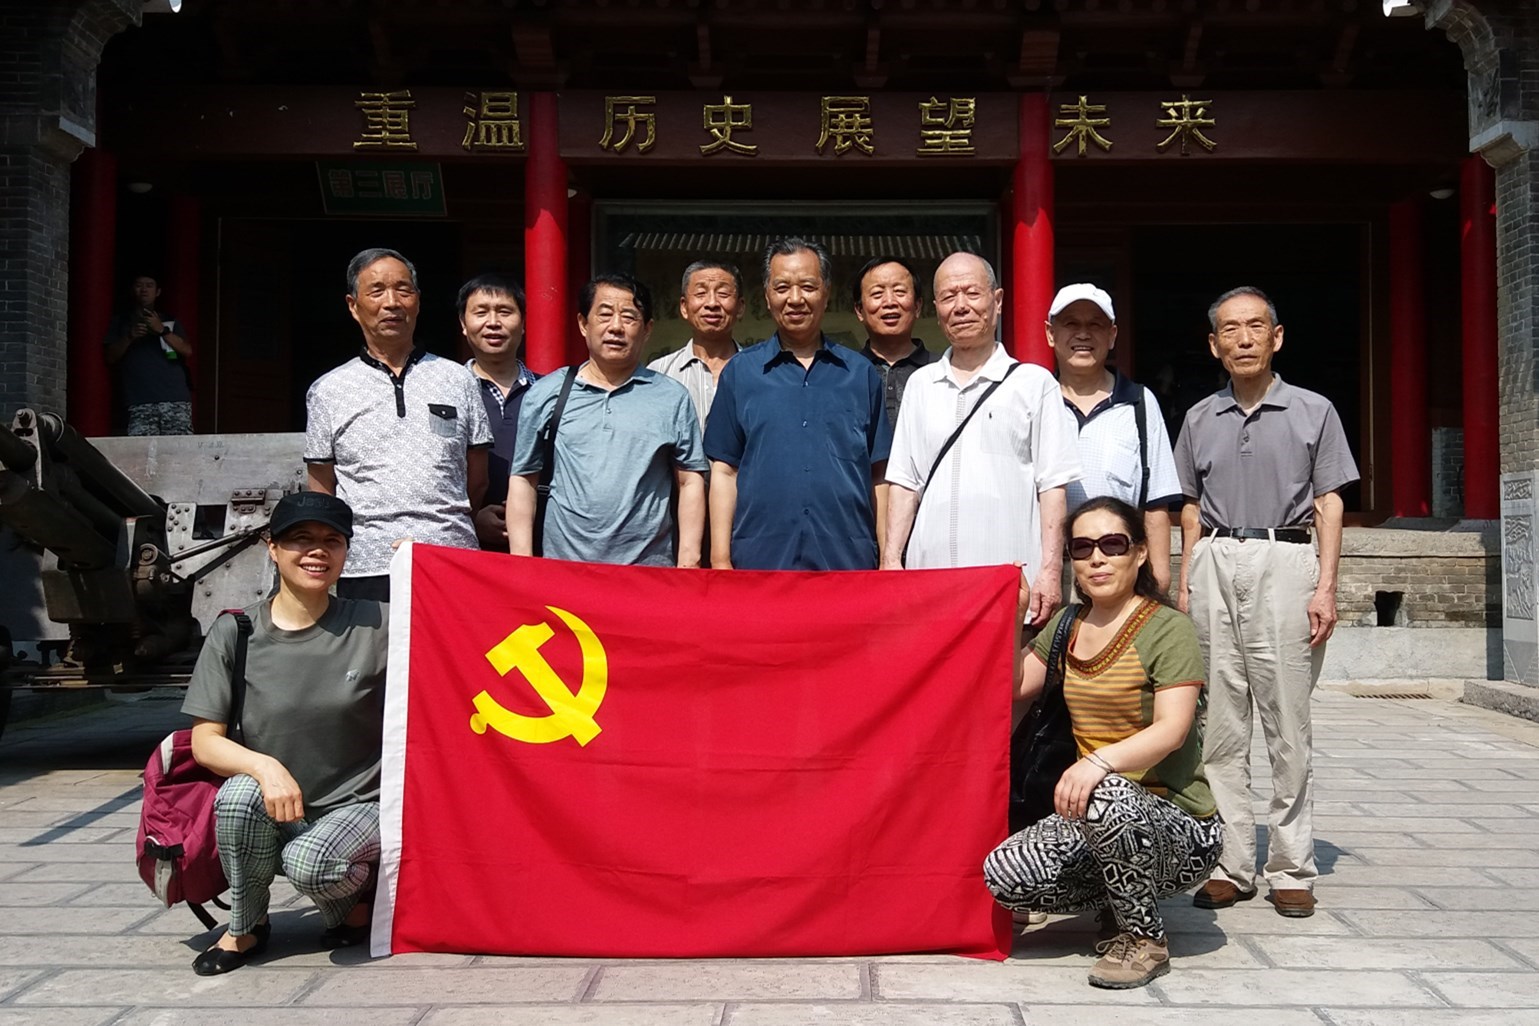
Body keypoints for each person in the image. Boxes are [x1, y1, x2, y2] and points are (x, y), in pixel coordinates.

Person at [982, 496, 1220, 990]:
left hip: (1181, 828)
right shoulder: (1068, 624)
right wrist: (1015, 614)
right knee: (1004, 874)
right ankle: (1121, 899)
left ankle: (1143, 937)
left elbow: (1172, 730)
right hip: (1095, 815)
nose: (1097, 558)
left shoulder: (1168, 628)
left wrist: (1098, 763)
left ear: (1139, 553)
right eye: (1082, 548)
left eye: (1112, 545)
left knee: (1108, 792)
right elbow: (1012, 685)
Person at [1174, 286, 1358, 919]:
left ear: (1277, 338)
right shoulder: (1199, 417)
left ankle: (1291, 865)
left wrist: (1326, 586)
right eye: (1231, 329)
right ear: (1214, 345)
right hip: (1215, 557)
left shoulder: (1314, 410)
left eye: (1256, 326)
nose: (1244, 338)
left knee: (1287, 720)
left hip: (1287, 557)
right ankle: (1230, 861)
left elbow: (1330, 501)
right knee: (1219, 723)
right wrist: (1186, 578)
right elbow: (1189, 505)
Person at [182, 492, 388, 975]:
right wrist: (265, 767)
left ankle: (355, 905)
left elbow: (460, 629)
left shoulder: (379, 624)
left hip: (362, 804)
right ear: (272, 548)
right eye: (301, 539)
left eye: (332, 541)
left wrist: (421, 565)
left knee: (311, 864)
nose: (317, 551)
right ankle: (246, 926)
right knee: (238, 795)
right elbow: (205, 742)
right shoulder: (236, 631)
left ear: (346, 552)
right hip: (277, 806)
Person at [883, 252, 1080, 630]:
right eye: (948, 296)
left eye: (972, 293)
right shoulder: (921, 386)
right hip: (930, 583)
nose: (961, 306)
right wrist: (892, 560)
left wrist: (1051, 570)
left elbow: (1053, 485)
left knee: (1009, 670)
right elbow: (905, 482)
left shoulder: (1034, 384)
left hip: (1009, 584)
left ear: (998, 300)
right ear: (936, 309)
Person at [304, 247, 492, 601]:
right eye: (377, 291)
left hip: (451, 557)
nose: (392, 302)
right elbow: (321, 487)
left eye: (403, 290)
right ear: (353, 305)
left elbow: (478, 479)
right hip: (365, 564)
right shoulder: (327, 390)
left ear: (417, 301)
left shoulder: (459, 379)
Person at [704, 238, 891, 570]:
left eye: (807, 286)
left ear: (826, 293)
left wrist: (888, 559)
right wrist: (720, 560)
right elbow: (725, 470)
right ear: (767, 295)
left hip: (847, 562)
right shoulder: (741, 372)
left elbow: (879, 475)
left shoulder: (860, 374)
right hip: (760, 561)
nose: (795, 299)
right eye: (782, 287)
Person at [508, 273, 706, 567]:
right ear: (583, 324)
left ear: (647, 329)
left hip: (647, 572)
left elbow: (690, 481)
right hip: (564, 570)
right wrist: (522, 564)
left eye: (629, 317)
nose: (616, 327)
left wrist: (689, 561)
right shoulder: (547, 393)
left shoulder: (672, 397)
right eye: (604, 315)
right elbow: (524, 479)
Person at [1047, 283, 1181, 592]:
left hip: (1116, 569)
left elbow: (1156, 501)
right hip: (1050, 571)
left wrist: (1159, 579)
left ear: (1112, 335)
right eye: (1071, 324)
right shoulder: (1034, 402)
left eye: (1095, 325)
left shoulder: (1140, 403)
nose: (1083, 334)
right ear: (1050, 333)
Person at [458, 273, 539, 551]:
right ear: (463, 324)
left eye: (505, 312)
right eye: (481, 313)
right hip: (466, 545)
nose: (493, 322)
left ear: (524, 323)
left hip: (541, 544)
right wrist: (472, 518)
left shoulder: (550, 393)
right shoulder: (445, 392)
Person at [648, 260, 745, 426]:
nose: (712, 303)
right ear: (684, 307)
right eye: (701, 293)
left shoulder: (760, 372)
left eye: (723, 294)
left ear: (740, 307)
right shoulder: (659, 373)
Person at [103, 273, 193, 436]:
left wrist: (162, 330)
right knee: (141, 449)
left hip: (174, 398)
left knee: (178, 448)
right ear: (133, 290)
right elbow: (110, 357)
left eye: (149, 285)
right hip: (139, 400)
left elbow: (187, 350)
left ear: (158, 292)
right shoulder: (121, 321)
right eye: (139, 285)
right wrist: (130, 336)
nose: (144, 289)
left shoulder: (169, 320)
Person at [854, 255, 938, 428]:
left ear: (917, 306)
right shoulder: (847, 373)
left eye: (899, 292)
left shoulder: (942, 371)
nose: (890, 302)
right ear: (859, 311)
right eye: (877, 293)